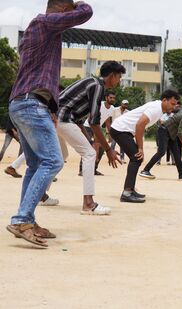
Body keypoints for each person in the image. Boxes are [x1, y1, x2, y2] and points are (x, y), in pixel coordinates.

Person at [6, 0, 93, 247]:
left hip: (26, 103)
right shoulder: (44, 22)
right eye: (67, 12)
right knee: (53, 161)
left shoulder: (43, 30)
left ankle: (28, 221)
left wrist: (51, 108)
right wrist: (78, 4)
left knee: (34, 165)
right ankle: (21, 219)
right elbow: (86, 12)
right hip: (30, 103)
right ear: (63, 11)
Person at [57, 61, 125, 215]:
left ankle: (42, 195)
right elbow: (95, 123)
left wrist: (90, 141)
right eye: (119, 77)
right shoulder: (97, 86)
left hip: (56, 118)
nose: (119, 80)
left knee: (61, 156)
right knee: (89, 154)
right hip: (63, 117)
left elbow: (81, 122)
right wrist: (108, 150)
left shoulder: (93, 84)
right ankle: (88, 204)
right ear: (112, 75)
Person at [110, 90, 179, 203]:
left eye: (175, 104)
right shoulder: (156, 109)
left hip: (123, 130)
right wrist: (140, 148)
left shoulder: (159, 107)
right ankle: (127, 193)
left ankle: (130, 190)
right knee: (137, 157)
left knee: (137, 158)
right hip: (120, 129)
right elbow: (140, 125)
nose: (174, 107)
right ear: (164, 100)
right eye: (172, 103)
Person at [139, 105, 182, 181]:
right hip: (164, 130)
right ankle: (145, 170)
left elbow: (173, 109)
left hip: (171, 133)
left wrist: (171, 111)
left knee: (176, 154)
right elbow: (180, 133)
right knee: (161, 152)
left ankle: (181, 174)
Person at [79, 90, 117, 176]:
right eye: (111, 97)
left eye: (114, 98)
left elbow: (107, 120)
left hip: (98, 128)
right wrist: (96, 134)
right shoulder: (100, 105)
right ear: (106, 98)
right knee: (88, 147)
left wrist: (109, 134)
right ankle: (82, 170)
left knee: (102, 148)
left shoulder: (112, 108)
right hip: (88, 127)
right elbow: (90, 118)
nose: (112, 99)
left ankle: (94, 169)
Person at [110, 99, 129, 163]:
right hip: (114, 129)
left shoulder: (128, 112)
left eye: (126, 104)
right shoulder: (115, 110)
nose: (125, 105)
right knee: (113, 144)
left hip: (123, 130)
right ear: (121, 104)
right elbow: (110, 118)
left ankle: (122, 158)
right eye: (124, 104)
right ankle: (110, 156)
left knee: (122, 145)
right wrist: (108, 129)